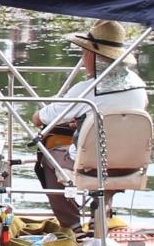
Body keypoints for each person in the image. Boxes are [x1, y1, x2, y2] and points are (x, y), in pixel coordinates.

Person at [32, 20, 147, 229]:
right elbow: (124, 122)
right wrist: (84, 124)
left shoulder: (87, 90)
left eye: (84, 53)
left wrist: (39, 115)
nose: (83, 58)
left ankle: (72, 226)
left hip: (92, 166)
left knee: (48, 156)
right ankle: (99, 219)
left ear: (94, 56)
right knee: (110, 156)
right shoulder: (139, 86)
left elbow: (41, 119)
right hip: (129, 164)